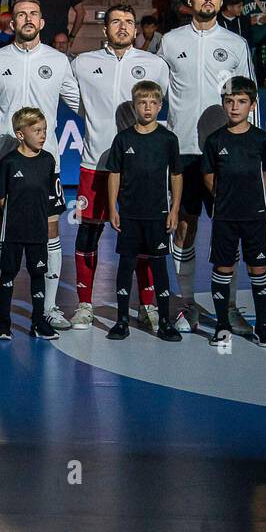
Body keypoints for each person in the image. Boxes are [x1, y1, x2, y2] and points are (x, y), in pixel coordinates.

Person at [0, 0, 80, 330]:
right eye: (21, 14)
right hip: (3, 161)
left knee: (51, 230)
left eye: (34, 14)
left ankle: (51, 307)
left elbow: (81, 102)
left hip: (47, 164)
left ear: (42, 22)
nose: (27, 18)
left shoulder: (58, 61)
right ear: (11, 23)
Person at [161, 0, 256, 333]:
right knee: (184, 225)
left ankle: (228, 306)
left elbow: (250, 98)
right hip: (183, 149)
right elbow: (155, 93)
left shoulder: (235, 44)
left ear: (220, 0)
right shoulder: (170, 42)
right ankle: (186, 303)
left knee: (226, 229)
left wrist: (252, 148)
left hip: (226, 152)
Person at [68, 6, 171, 333]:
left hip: (140, 170)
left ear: (137, 29)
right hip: (95, 164)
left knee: (143, 238)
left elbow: (157, 103)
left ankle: (148, 305)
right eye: (116, 21)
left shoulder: (154, 64)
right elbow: (77, 102)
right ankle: (84, 305)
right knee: (88, 234)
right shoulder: (83, 64)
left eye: (129, 22)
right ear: (105, 27)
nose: (123, 27)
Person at [105, 80, 183, 341]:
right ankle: (122, 321)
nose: (147, 108)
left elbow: (176, 176)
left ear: (160, 106)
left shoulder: (168, 139)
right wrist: (113, 207)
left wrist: (174, 210)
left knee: (160, 267)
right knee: (126, 265)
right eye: (142, 103)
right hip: (129, 214)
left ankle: (164, 321)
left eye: (153, 103)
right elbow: (114, 174)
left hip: (158, 215)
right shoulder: (123, 138)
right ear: (134, 106)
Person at [202, 76, 266, 347]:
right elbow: (209, 175)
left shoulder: (261, 139)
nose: (235, 107)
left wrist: (255, 197)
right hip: (224, 216)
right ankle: (222, 326)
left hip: (255, 216)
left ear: (253, 105)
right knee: (223, 267)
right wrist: (223, 199)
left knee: (258, 267)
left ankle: (263, 327)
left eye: (242, 101)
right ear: (223, 104)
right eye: (230, 101)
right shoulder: (214, 140)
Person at [0, 107, 65, 341]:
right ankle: (4, 322)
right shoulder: (9, 162)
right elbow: (2, 197)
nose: (42, 135)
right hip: (13, 231)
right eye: (37, 131)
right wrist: (16, 217)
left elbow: (49, 195)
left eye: (44, 130)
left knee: (37, 274)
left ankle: (38, 322)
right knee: (8, 274)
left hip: (38, 231)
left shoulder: (47, 160)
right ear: (20, 134)